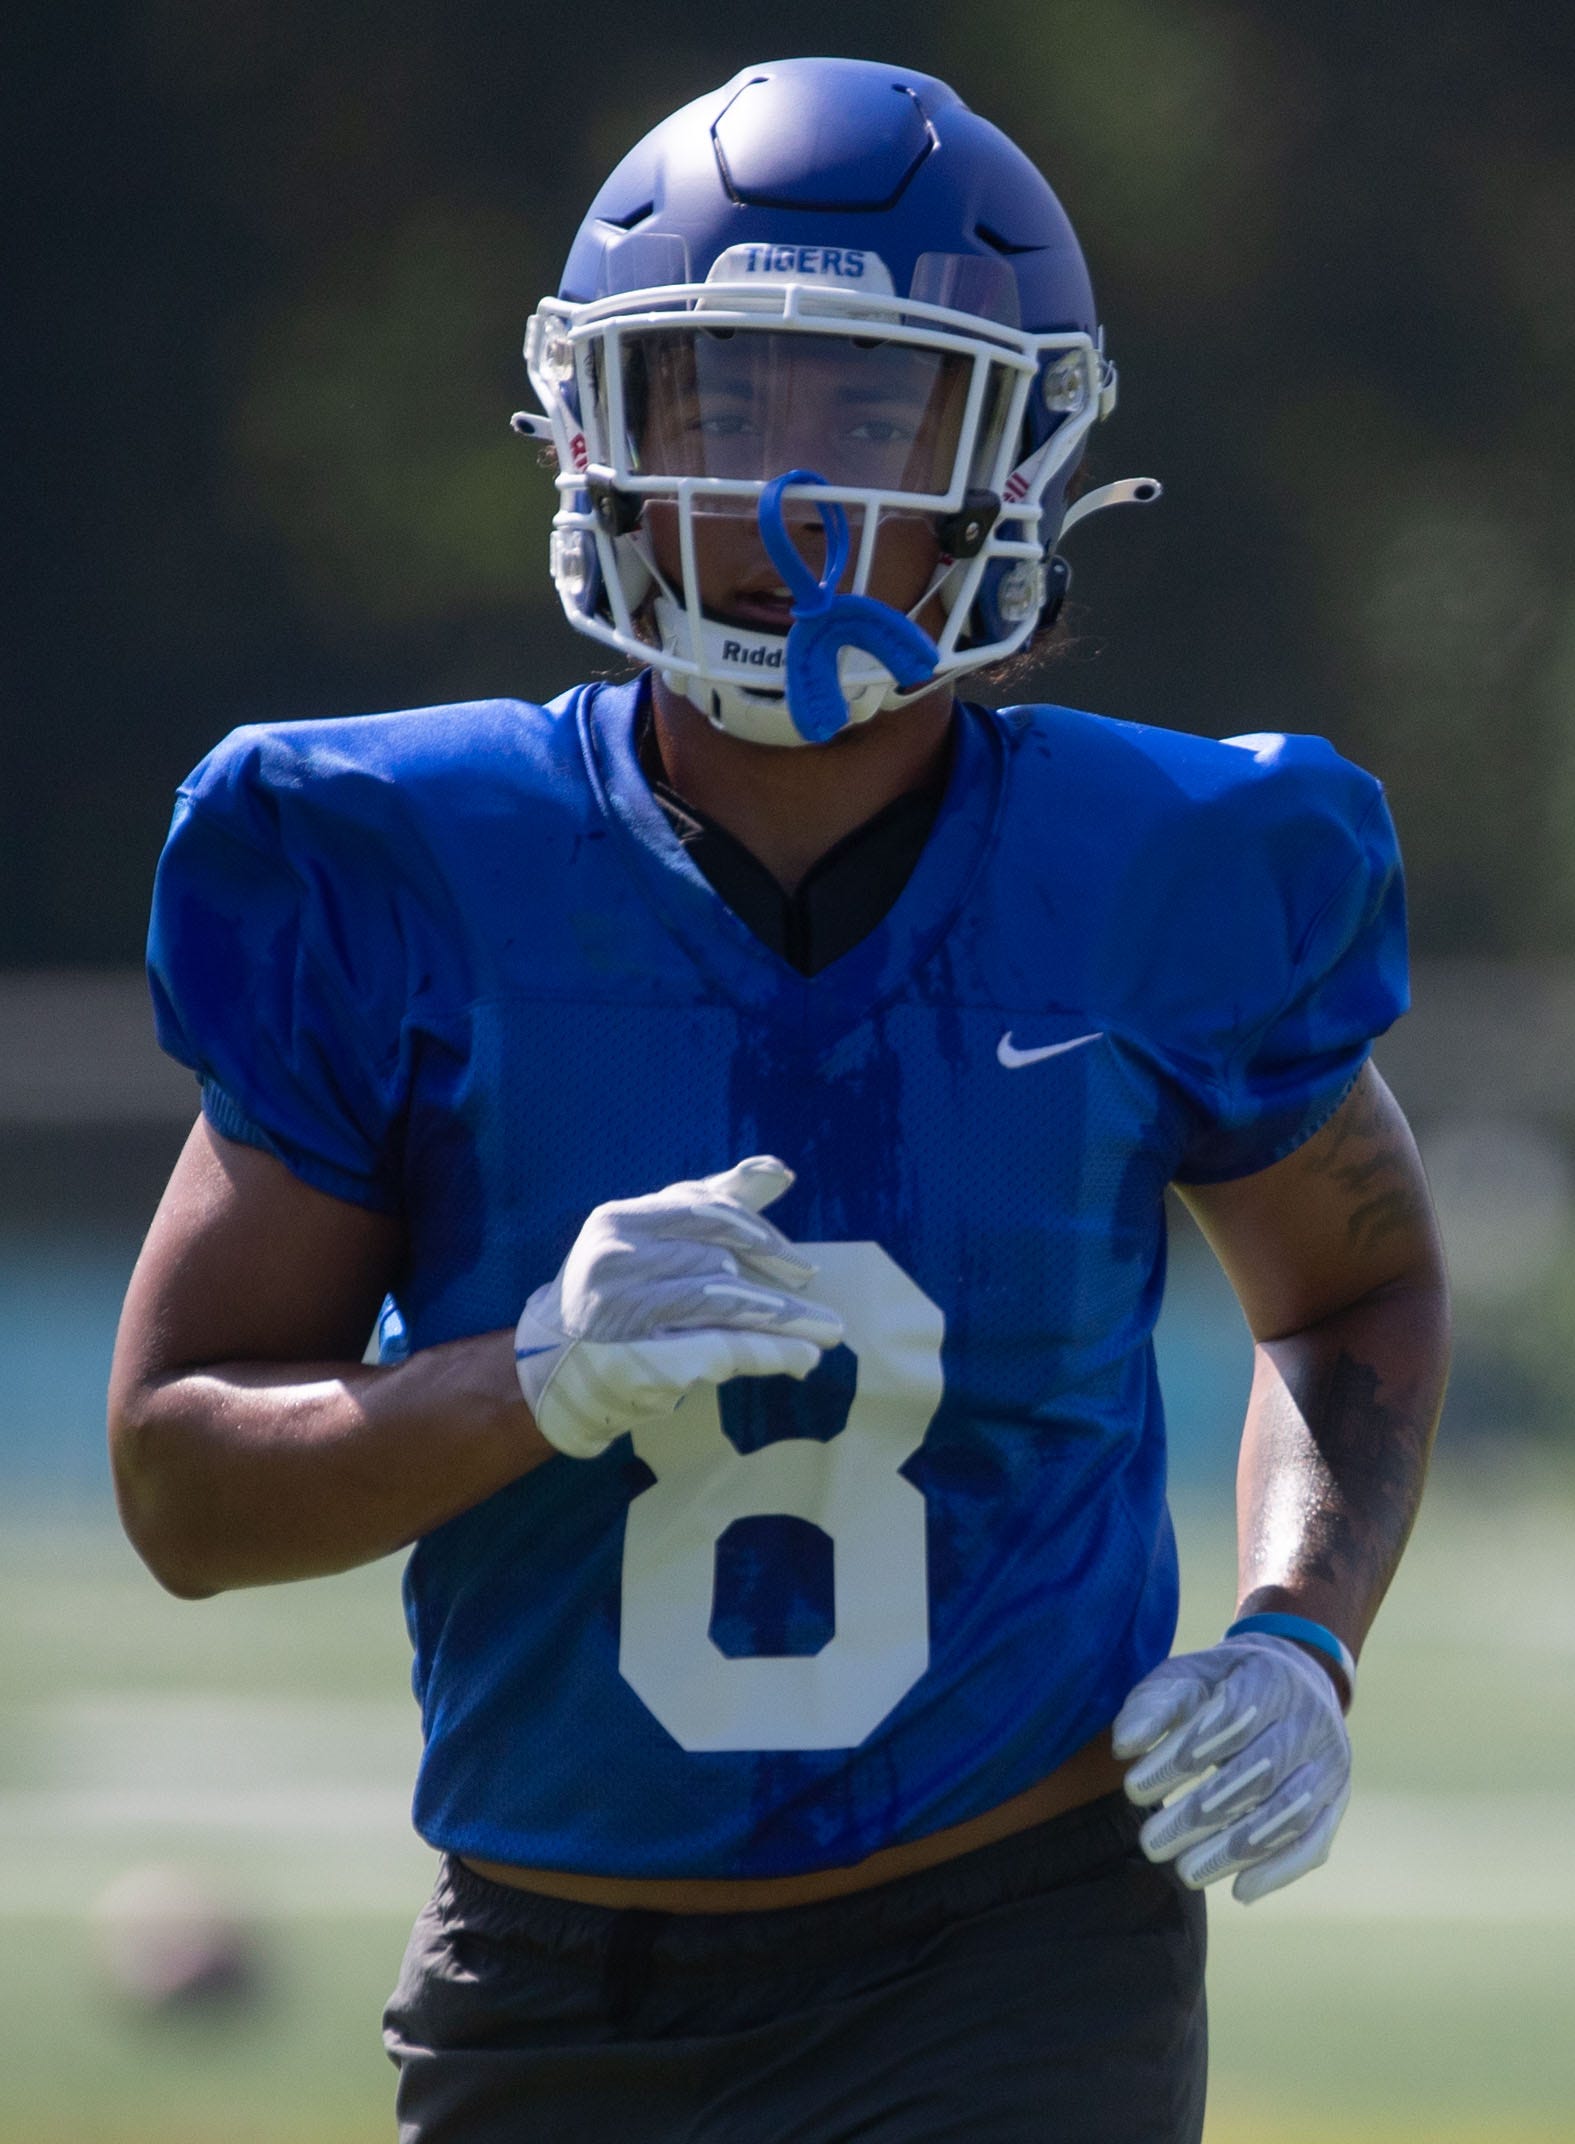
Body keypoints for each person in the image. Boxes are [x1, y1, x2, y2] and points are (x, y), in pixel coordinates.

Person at [109, 55, 1450, 2144]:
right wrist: (527, 1376)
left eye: (872, 409)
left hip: (1013, 1950)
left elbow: (1349, 1295)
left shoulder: (1167, 867)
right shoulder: (394, 858)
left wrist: (1297, 1635)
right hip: (550, 1967)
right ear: (595, 437)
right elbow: (179, 1482)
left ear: (1020, 454)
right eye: (722, 405)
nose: (790, 498)